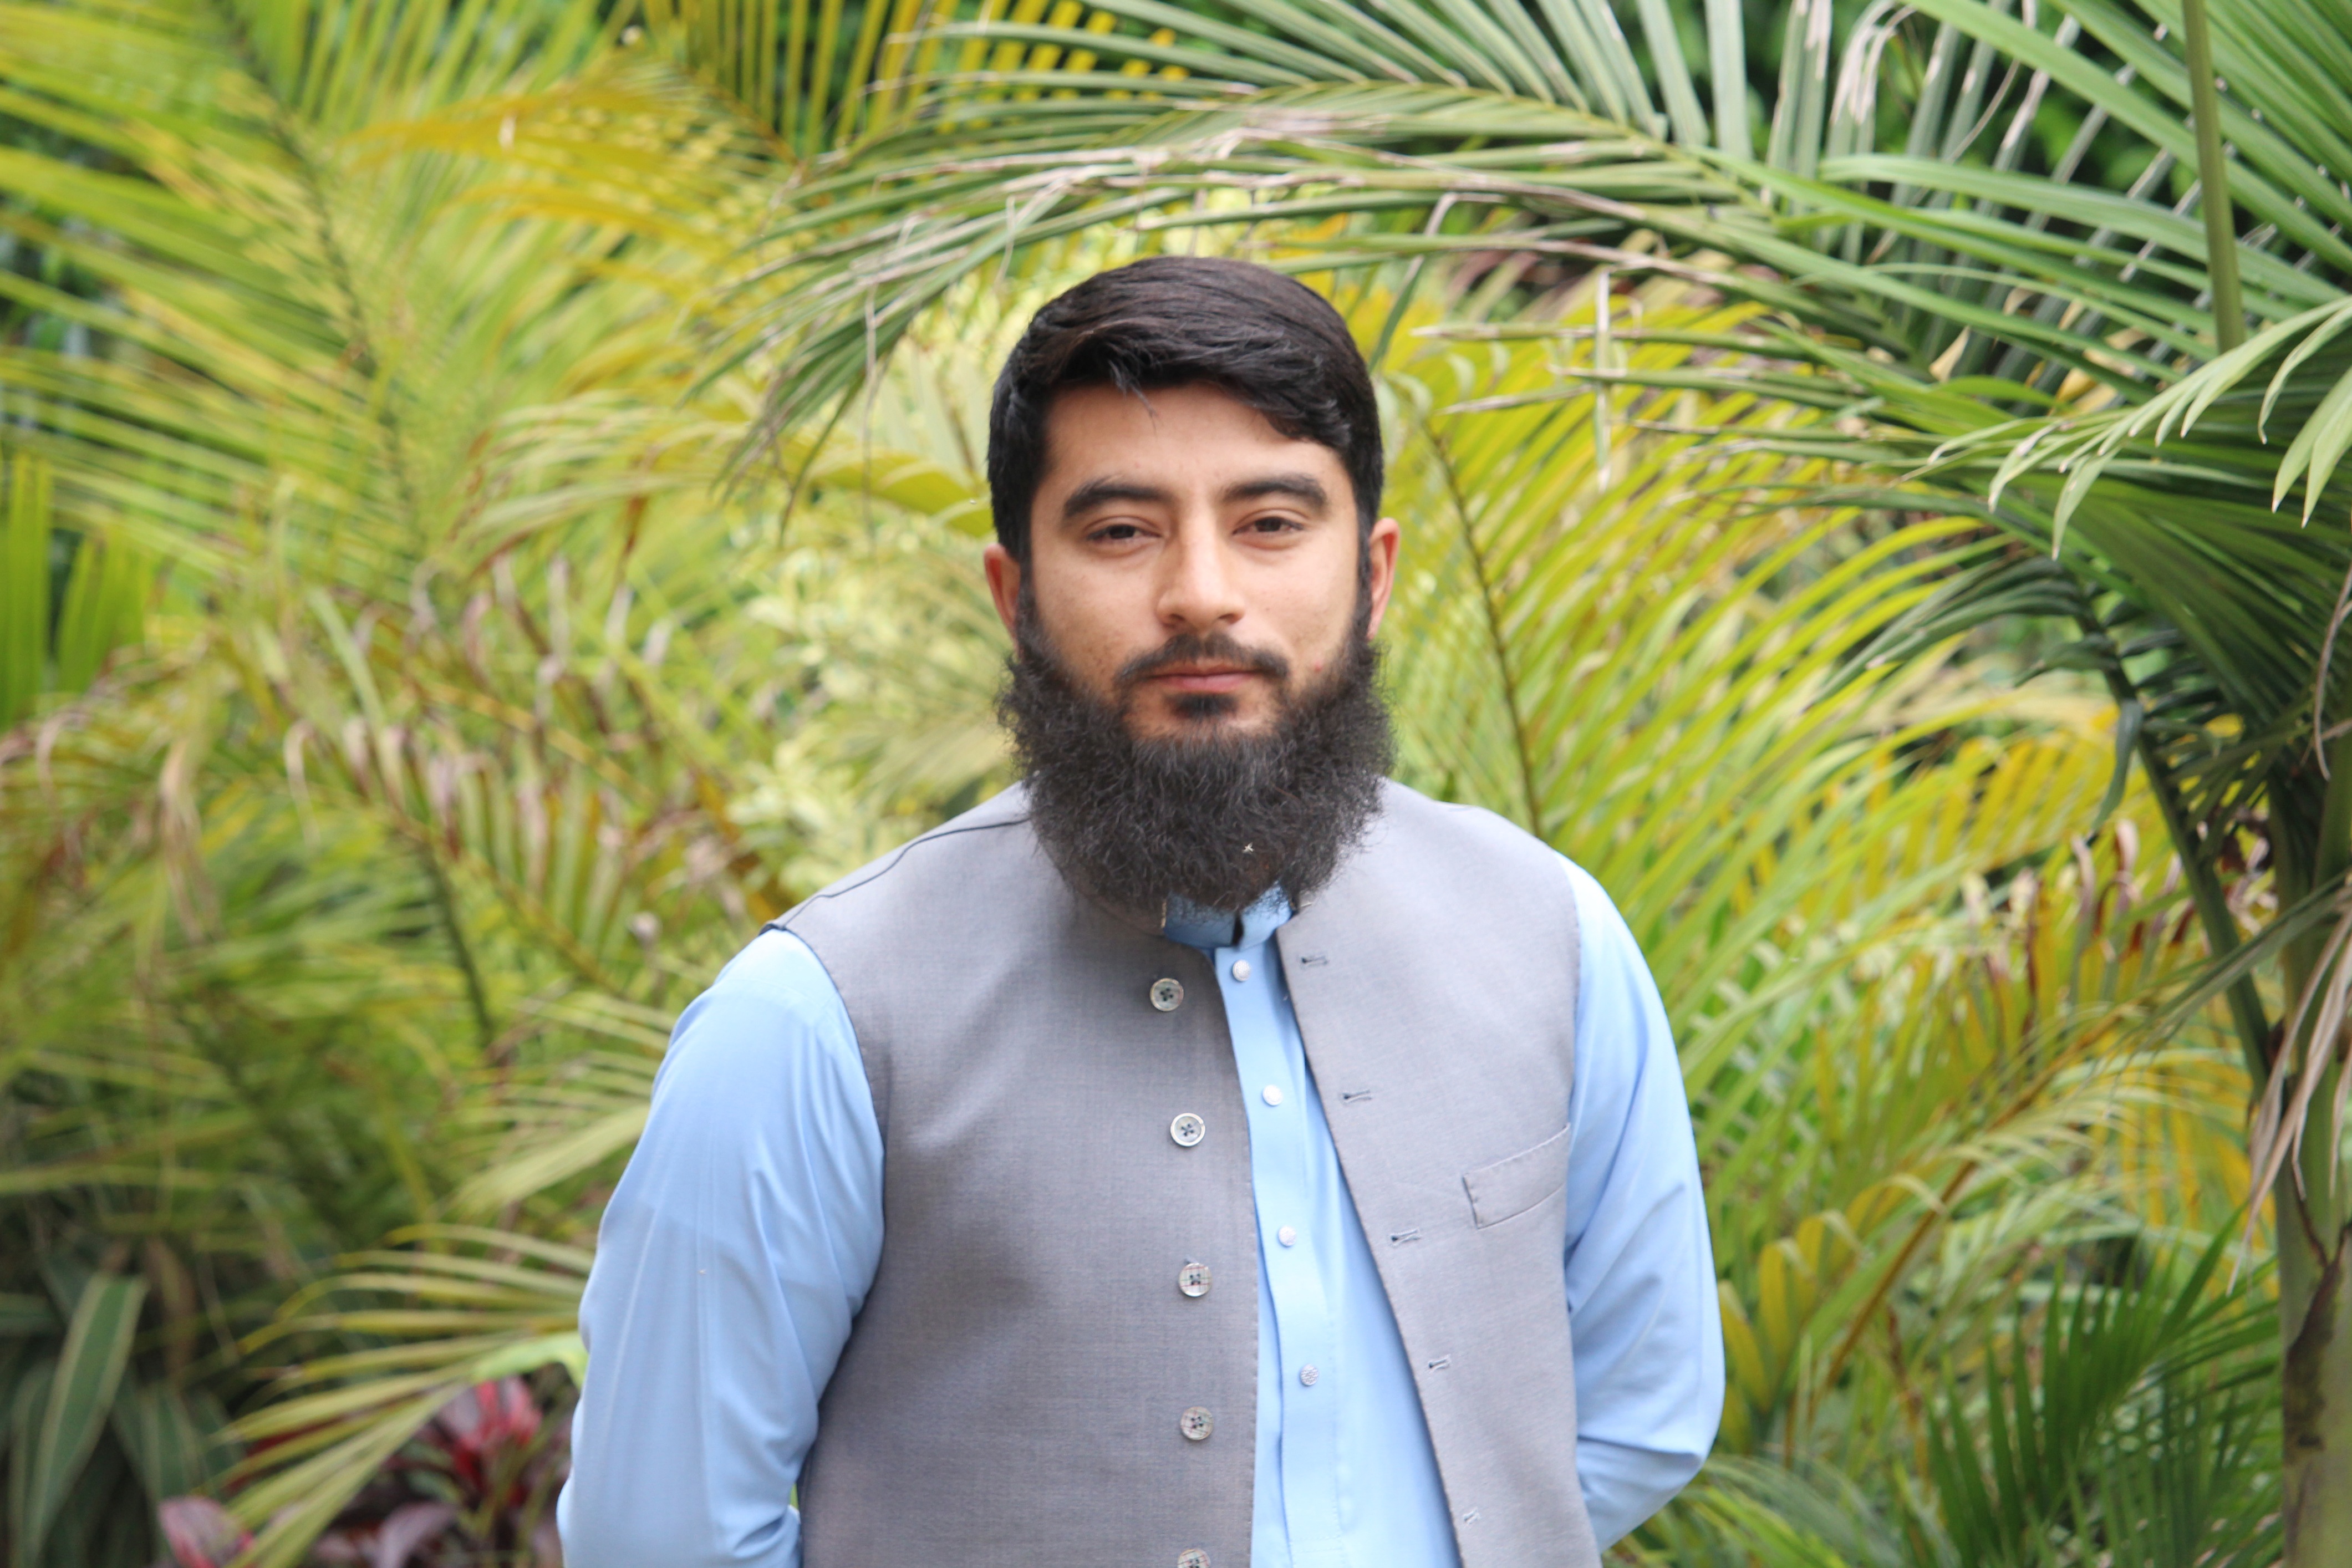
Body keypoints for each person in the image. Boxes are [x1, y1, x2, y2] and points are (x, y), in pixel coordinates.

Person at [557, 256, 1722, 1568]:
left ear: (1374, 573)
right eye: (1121, 531)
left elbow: (1639, 1414)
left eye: (1271, 521)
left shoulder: (1552, 937)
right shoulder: (815, 1021)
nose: (1202, 593)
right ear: (1017, 599)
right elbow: (659, 1537)